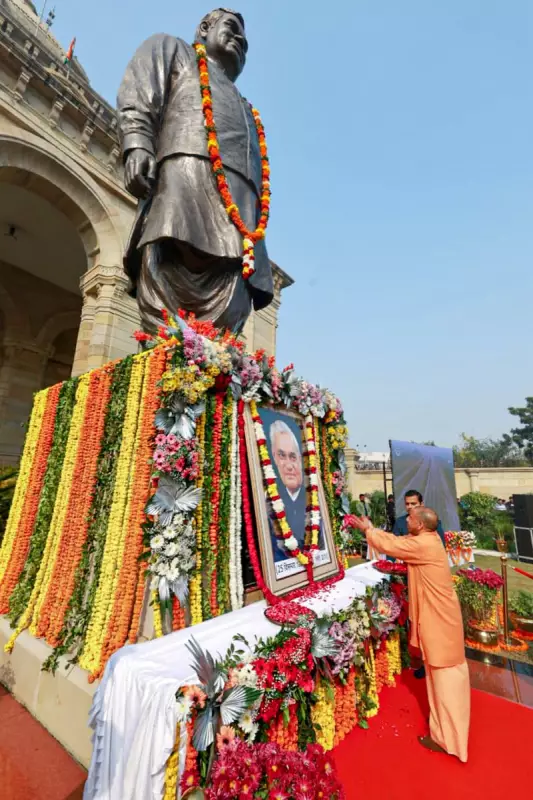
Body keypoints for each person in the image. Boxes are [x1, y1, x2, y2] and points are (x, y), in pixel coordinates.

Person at [117, 8, 274, 335]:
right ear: (205, 27)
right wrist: (137, 141)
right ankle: (170, 355)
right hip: (184, 179)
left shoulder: (249, 109)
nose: (240, 40)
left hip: (241, 212)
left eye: (245, 41)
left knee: (234, 291)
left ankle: (214, 364)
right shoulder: (172, 48)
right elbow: (140, 91)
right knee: (168, 264)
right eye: (232, 28)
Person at [352, 508, 470, 762]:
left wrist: (367, 530)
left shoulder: (423, 545)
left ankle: (451, 741)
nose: (406, 519)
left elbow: (394, 545)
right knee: (439, 679)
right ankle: (444, 732)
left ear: (419, 524)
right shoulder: (426, 540)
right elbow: (400, 542)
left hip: (441, 624)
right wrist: (372, 529)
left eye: (410, 518)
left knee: (446, 680)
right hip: (441, 621)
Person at [267, 419, 324, 563]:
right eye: (281, 456)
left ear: (301, 459)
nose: (289, 466)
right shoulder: (269, 503)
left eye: (293, 457)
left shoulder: (314, 502)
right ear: (274, 457)